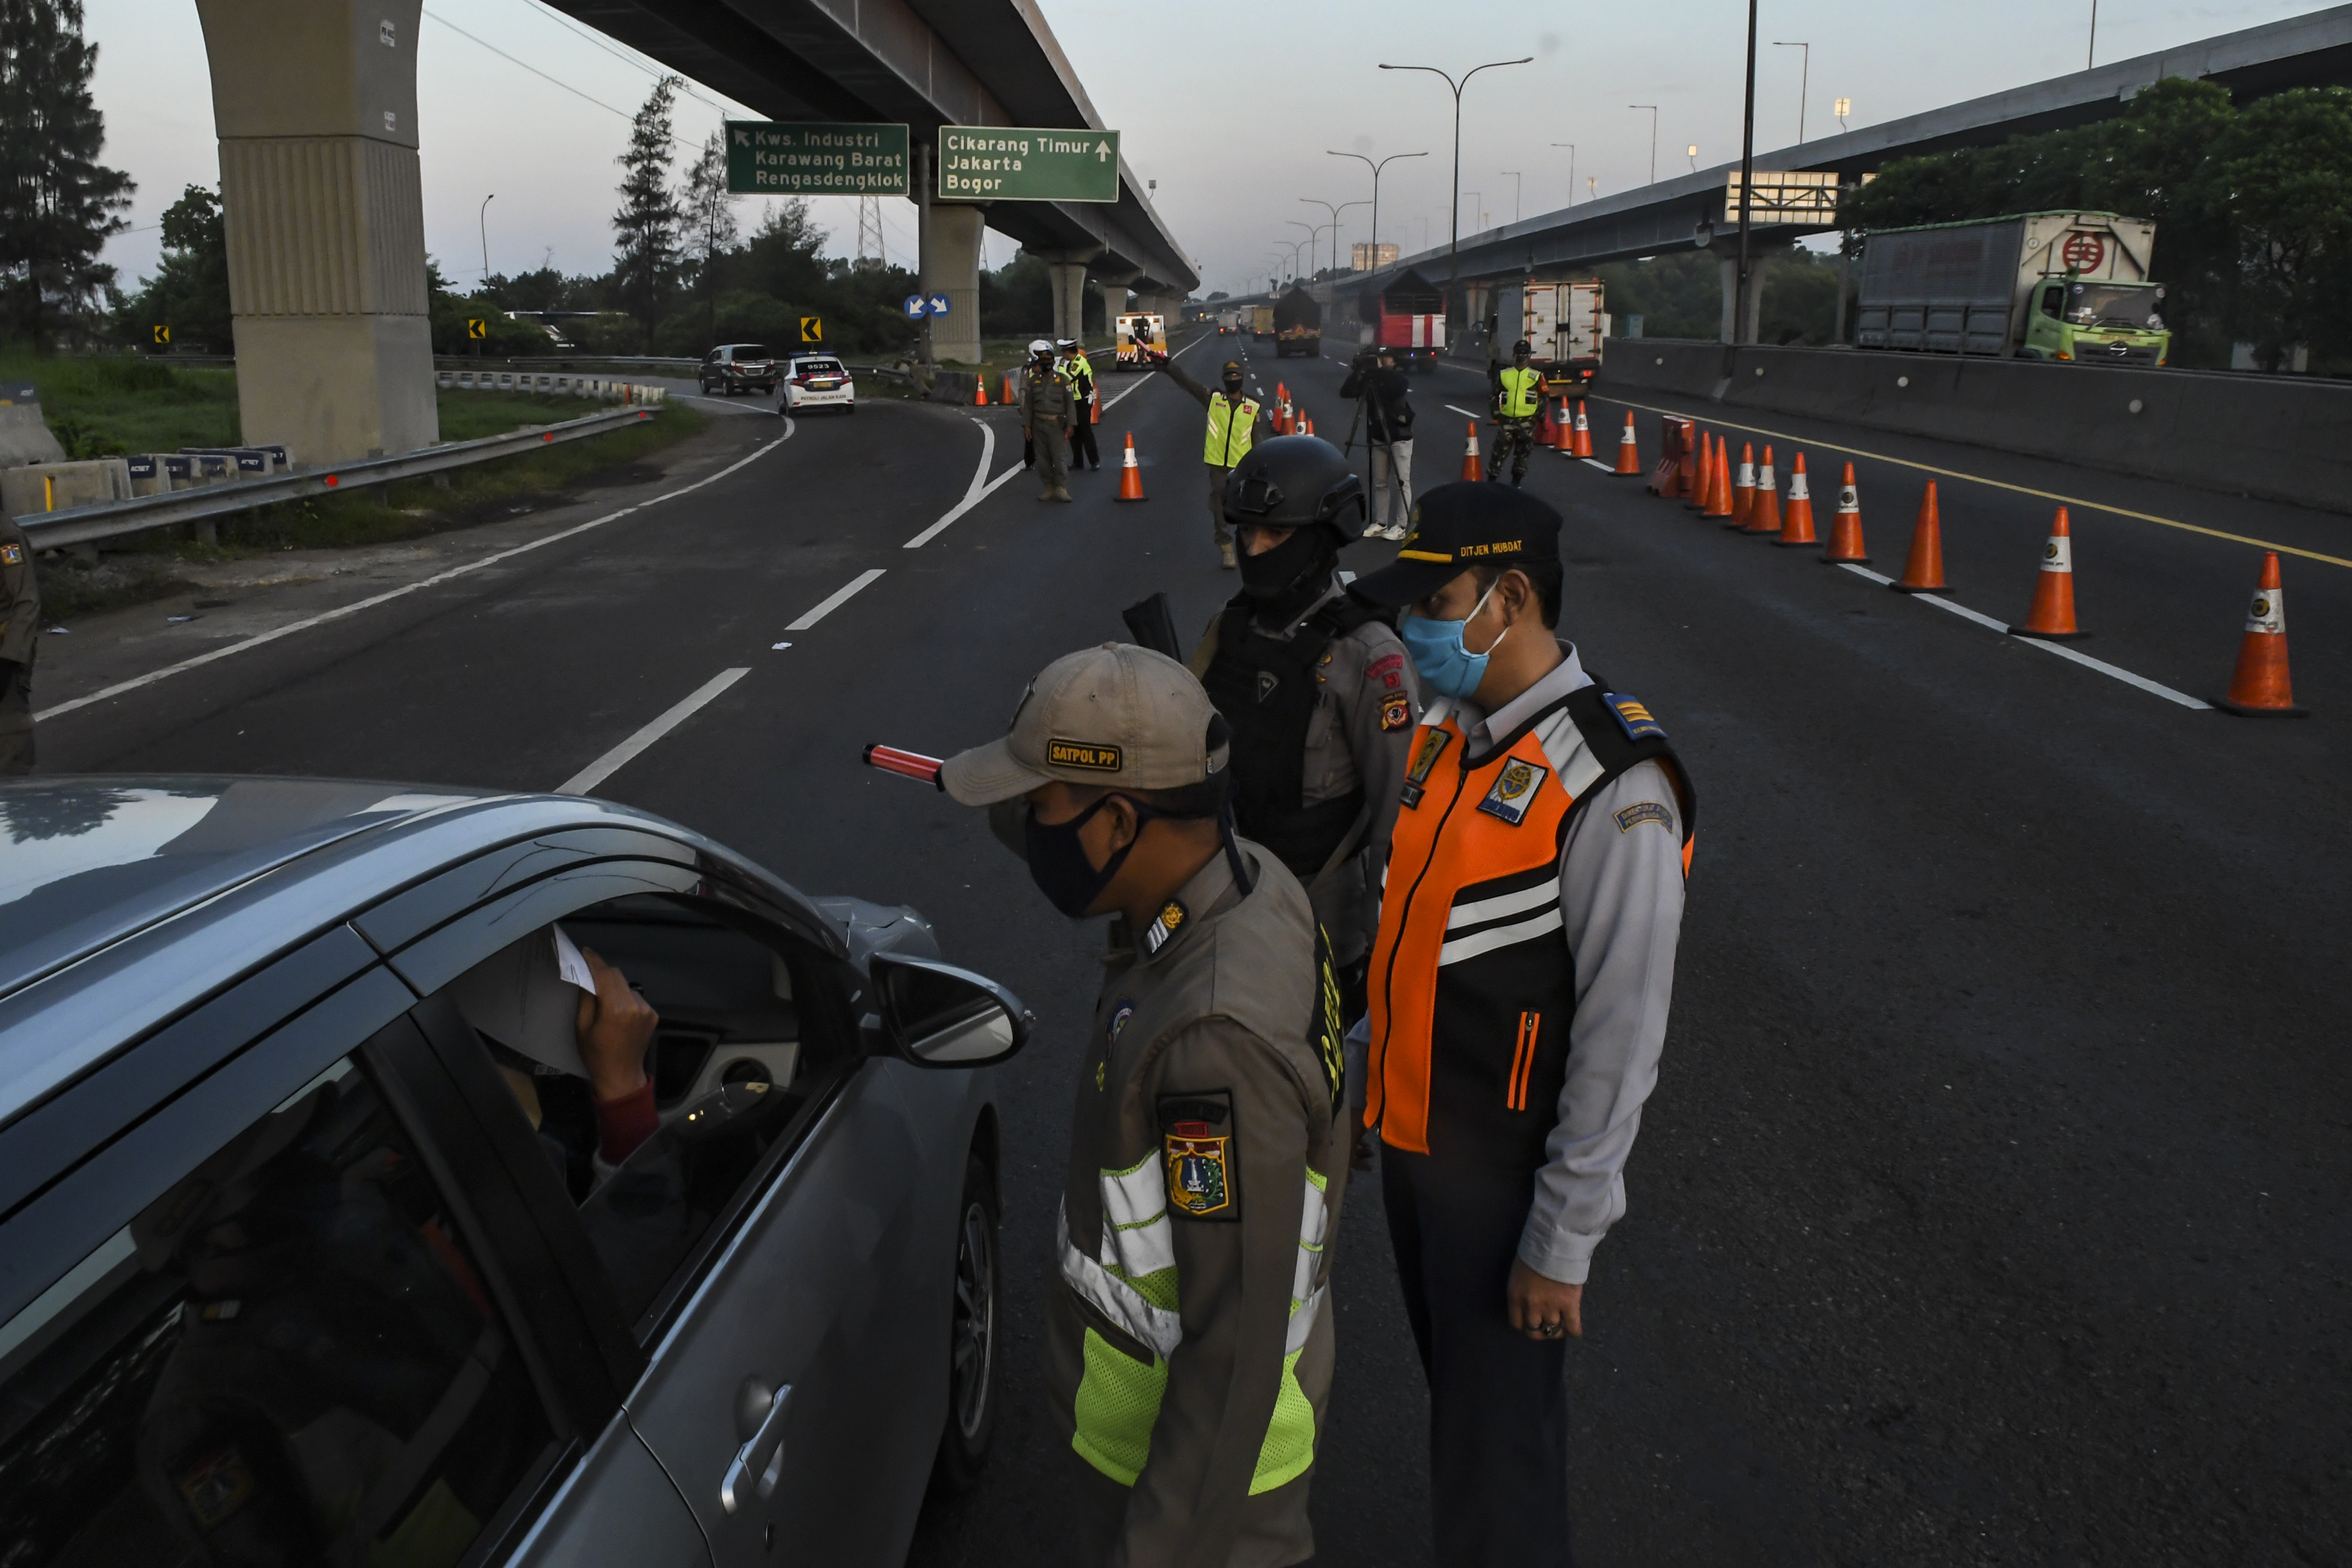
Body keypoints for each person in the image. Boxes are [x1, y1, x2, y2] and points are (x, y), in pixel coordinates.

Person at [934, 642, 1351, 1567]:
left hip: (1205, 1495)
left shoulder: (1211, 1042)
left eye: (1039, 806)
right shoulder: (1253, 881)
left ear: (1120, 820)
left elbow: (1234, 1349)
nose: (1031, 827)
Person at [1345, 483, 1696, 1567]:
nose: (1412, 627)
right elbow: (1407, 934)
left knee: (1499, 1472)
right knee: (1466, 1421)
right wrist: (1358, 1077)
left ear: (1509, 598)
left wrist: (1563, 1240)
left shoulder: (1613, 781)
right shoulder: (1452, 740)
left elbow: (1621, 1038)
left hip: (1505, 1186)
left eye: (1433, 601)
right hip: (1417, 1159)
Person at [1190, 434, 1417, 1024]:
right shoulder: (1230, 626)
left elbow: (1395, 826)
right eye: (1245, 533)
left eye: (1276, 535)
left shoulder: (1369, 657)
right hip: (1223, 905)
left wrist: (1388, 954)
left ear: (1321, 539)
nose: (1256, 547)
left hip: (1320, 928)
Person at [1150, 353, 1271, 570]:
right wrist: (1169, 366)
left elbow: (1258, 440)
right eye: (1229, 376)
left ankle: (1251, 547)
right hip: (1219, 468)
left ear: (1242, 379)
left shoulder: (1253, 406)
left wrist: (1262, 467)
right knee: (1220, 509)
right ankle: (1226, 549)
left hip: (1243, 469)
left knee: (1247, 510)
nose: (1233, 379)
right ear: (1224, 380)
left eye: (1236, 376)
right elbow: (1190, 384)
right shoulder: (1214, 400)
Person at [1337, 344, 1416, 540]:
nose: (1383, 360)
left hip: (1399, 436)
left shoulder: (1398, 379)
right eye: (1380, 357)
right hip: (1379, 436)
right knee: (1380, 483)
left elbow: (1397, 387)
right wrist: (1358, 371)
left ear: (1394, 361)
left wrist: (1378, 371)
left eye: (1387, 357)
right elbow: (1346, 392)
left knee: (1402, 482)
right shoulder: (1371, 379)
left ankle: (1401, 525)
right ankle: (1381, 523)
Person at [1, 510, 38, 774]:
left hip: (4, 649)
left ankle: (16, 803)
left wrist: (10, 659)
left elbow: (27, 600)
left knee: (10, 732)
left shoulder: (6, 536)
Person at [1021, 338, 1075, 502]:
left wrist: (1071, 424)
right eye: (1042, 361)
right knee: (1043, 462)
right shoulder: (1033, 381)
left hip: (1057, 425)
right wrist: (1027, 426)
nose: (1045, 364)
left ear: (1053, 362)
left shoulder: (1063, 380)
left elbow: (1070, 404)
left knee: (1059, 460)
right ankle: (1049, 488)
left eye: (1048, 361)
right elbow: (1029, 406)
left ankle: (1061, 488)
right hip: (1038, 426)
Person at [1488, 339, 1545, 489]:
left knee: (1523, 455)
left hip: (1526, 422)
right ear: (1514, 355)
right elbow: (1494, 395)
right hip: (1507, 421)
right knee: (1498, 452)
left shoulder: (1536, 376)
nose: (1522, 356)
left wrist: (1537, 418)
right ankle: (1491, 482)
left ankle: (1516, 484)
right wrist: (1496, 414)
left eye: (1525, 353)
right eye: (1519, 353)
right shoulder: (1505, 375)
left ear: (1529, 355)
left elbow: (1544, 397)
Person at [1059, 337, 1102, 472]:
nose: (1062, 354)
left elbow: (1067, 378)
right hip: (1074, 400)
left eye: (1063, 351)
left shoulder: (1079, 363)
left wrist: (1060, 366)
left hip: (1082, 400)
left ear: (1067, 351)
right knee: (1074, 432)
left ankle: (1094, 461)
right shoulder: (1072, 362)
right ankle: (1078, 462)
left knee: (1085, 431)